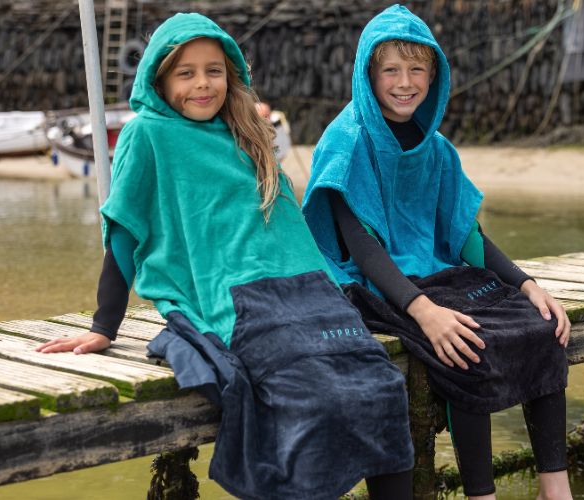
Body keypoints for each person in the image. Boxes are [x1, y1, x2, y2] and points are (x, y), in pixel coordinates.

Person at [36, 13, 413, 500]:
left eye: (214, 70)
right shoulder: (147, 134)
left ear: (231, 74)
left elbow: (284, 226)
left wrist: (330, 285)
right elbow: (124, 230)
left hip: (306, 288)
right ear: (160, 79)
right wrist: (103, 327)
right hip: (230, 295)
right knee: (309, 397)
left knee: (381, 388)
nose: (202, 84)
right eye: (186, 72)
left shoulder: (248, 131)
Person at [301, 5, 573, 500]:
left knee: (544, 327)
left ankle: (557, 489)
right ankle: (481, 494)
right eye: (391, 69)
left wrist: (528, 285)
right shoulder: (346, 142)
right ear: (368, 73)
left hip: (436, 273)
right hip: (368, 282)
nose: (405, 82)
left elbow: (466, 234)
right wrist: (425, 312)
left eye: (417, 69)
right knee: (466, 342)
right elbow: (360, 248)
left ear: (434, 73)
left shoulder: (437, 147)